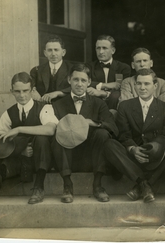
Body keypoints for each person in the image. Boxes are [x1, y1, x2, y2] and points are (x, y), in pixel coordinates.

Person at [0, 72, 56, 236]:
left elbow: (51, 129)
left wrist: (19, 129)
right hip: (19, 163)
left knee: (42, 139)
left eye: (25, 90)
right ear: (12, 91)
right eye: (17, 91)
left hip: (41, 162)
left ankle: (39, 187)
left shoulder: (44, 108)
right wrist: (20, 151)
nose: (22, 95)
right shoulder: (8, 114)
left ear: (32, 90)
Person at [104, 69, 165, 202]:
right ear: (134, 85)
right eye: (139, 84)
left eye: (146, 84)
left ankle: (141, 186)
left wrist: (154, 147)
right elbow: (123, 135)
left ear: (155, 86)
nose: (142, 88)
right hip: (132, 158)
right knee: (109, 145)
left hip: (157, 156)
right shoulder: (125, 106)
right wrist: (132, 149)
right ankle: (144, 184)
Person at [50, 64, 118, 203]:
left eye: (83, 80)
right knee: (57, 133)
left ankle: (97, 185)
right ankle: (67, 185)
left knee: (102, 134)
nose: (79, 84)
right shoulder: (58, 104)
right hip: (68, 156)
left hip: (91, 156)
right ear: (69, 80)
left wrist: (92, 122)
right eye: (75, 80)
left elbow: (113, 127)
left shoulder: (99, 104)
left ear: (88, 82)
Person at [86, 35, 131, 109]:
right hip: (95, 106)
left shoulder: (123, 68)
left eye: (104, 48)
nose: (100, 52)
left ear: (113, 50)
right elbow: (85, 83)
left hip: (115, 107)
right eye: (98, 48)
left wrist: (104, 93)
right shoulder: (89, 67)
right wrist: (104, 85)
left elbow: (124, 89)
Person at [30, 35, 72, 103]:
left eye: (56, 50)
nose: (53, 54)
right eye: (49, 50)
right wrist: (33, 90)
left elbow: (79, 87)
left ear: (63, 52)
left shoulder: (72, 69)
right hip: (43, 107)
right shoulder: (36, 71)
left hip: (65, 107)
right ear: (45, 53)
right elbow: (29, 85)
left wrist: (58, 93)